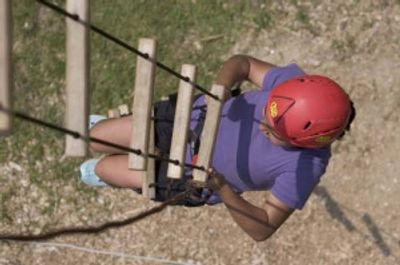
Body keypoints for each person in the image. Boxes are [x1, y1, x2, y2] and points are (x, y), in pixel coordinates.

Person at [81, 55, 355, 241]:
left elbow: (264, 227)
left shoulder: (305, 167)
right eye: (267, 118)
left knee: (104, 168)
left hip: (189, 177)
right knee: (92, 138)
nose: (262, 127)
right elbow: (243, 64)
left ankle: (107, 171)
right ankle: (109, 130)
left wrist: (223, 189)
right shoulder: (293, 86)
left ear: (302, 143)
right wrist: (223, 87)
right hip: (185, 121)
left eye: (272, 132)